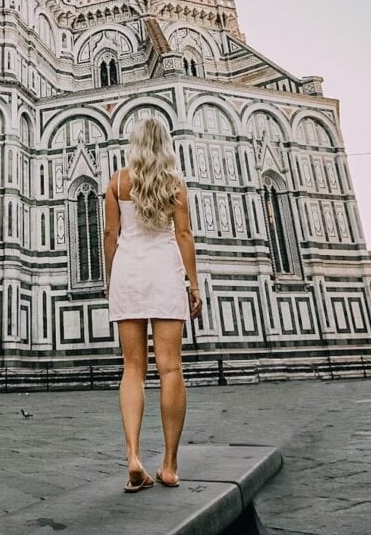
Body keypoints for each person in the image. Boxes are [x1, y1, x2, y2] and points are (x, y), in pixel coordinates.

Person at [104, 118, 202, 493]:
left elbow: (111, 235)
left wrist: (112, 279)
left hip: (128, 272)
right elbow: (183, 234)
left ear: (134, 144)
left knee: (132, 368)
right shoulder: (175, 184)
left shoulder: (117, 181)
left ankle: (132, 456)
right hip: (164, 272)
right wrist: (193, 284)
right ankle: (170, 464)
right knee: (171, 368)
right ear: (166, 145)